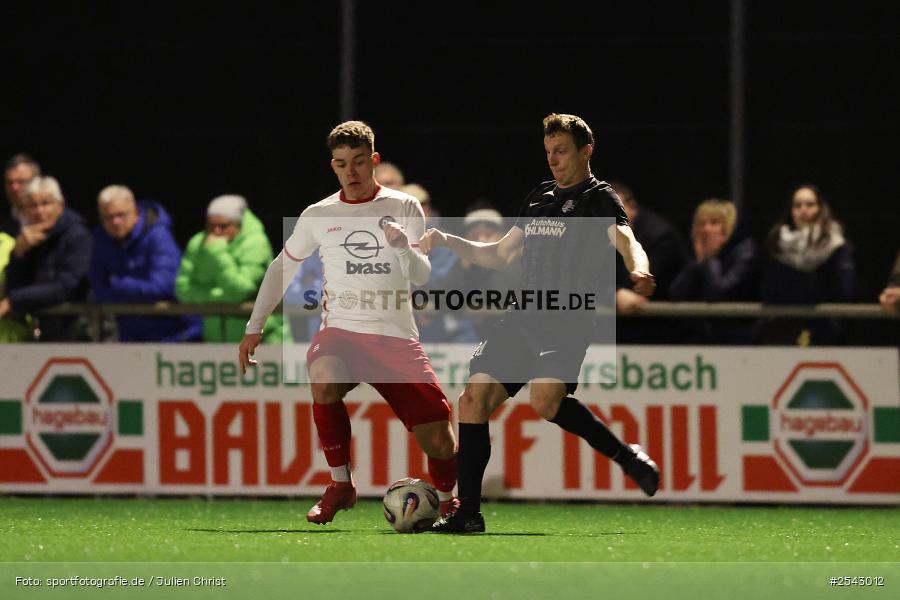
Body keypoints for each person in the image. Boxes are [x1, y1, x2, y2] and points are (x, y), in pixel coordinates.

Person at [420, 113, 660, 534]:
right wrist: (445, 239)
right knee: (472, 401)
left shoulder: (599, 198)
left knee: (546, 402)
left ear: (587, 150)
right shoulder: (539, 197)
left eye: (562, 150)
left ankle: (625, 455)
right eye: (548, 152)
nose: (553, 159)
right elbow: (498, 255)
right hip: (523, 315)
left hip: (567, 319)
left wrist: (638, 269)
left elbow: (627, 241)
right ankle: (469, 514)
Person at [238, 121, 458, 524]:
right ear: (333, 166)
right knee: (323, 378)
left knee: (440, 440)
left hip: (395, 339)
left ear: (373, 160)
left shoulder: (403, 206)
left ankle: (447, 502)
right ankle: (341, 485)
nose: (351, 171)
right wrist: (255, 326)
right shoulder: (319, 214)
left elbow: (423, 274)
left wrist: (401, 249)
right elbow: (281, 267)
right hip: (342, 332)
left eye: (359, 162)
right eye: (342, 164)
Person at [89, 185, 201, 342]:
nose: (115, 222)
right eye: (109, 217)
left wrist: (117, 284)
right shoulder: (101, 237)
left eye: (121, 215)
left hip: (172, 335)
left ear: (135, 211)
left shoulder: (158, 236)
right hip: (129, 336)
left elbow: (162, 287)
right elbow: (98, 288)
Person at [176, 195, 288, 343]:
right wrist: (221, 298)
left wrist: (217, 253)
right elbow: (182, 290)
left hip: (262, 341)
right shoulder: (197, 243)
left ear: (238, 224)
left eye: (223, 226)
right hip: (216, 342)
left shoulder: (256, 243)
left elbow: (241, 290)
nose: (216, 231)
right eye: (211, 226)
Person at [757, 184, 856, 345]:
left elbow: (845, 291)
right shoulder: (775, 243)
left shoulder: (836, 244)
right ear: (791, 211)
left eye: (810, 204)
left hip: (826, 331)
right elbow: (768, 290)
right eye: (797, 205)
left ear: (821, 208)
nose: (804, 210)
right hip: (783, 332)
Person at [1, 176, 91, 341]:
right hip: (41, 333)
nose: (39, 211)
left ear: (60, 205)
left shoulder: (77, 235)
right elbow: (13, 286)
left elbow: (68, 286)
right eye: (33, 206)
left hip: (76, 332)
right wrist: (18, 254)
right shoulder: (29, 238)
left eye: (45, 203)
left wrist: (13, 301)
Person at [669, 198, 759, 344]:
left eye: (714, 223)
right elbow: (676, 294)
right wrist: (697, 262)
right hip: (700, 340)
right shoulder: (698, 255)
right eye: (702, 224)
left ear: (728, 227)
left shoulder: (745, 251)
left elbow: (719, 294)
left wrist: (710, 258)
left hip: (738, 340)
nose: (706, 229)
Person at [2, 154, 41, 236]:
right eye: (9, 183)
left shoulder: (54, 218)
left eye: (21, 182)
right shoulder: (4, 219)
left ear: (37, 182)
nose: (14, 188)